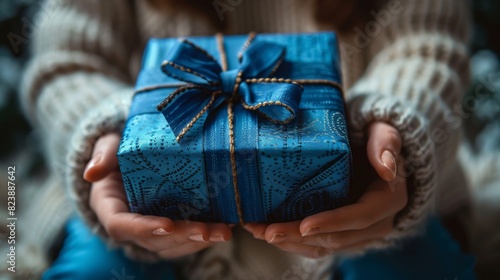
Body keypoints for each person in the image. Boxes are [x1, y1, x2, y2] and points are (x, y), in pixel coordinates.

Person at [19, 0, 476, 279]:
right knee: (96, 272)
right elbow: (69, 62)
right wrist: (117, 128)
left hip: (363, 181)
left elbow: (426, 42)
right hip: (137, 197)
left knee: (415, 267)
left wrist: (393, 120)